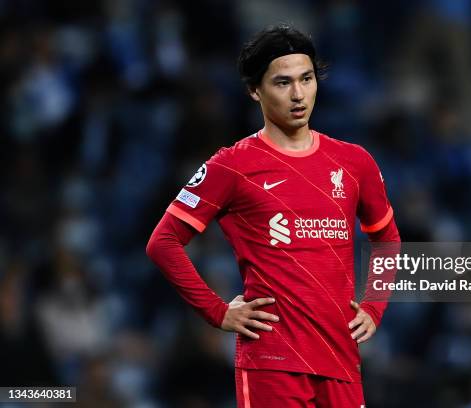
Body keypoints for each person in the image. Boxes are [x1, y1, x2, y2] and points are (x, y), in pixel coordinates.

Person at [146, 24, 400, 408]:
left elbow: (387, 239)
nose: (298, 94)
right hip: (272, 365)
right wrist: (217, 312)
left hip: (341, 361)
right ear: (254, 90)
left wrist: (374, 305)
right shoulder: (231, 166)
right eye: (282, 83)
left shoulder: (354, 162)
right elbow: (162, 243)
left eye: (307, 79)